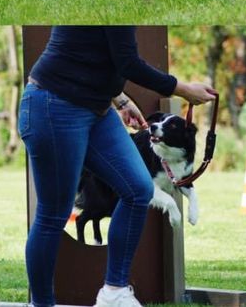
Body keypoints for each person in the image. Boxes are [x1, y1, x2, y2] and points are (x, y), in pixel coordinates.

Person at [20, 27, 216, 307]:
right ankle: (41, 304)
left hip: (97, 111)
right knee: (53, 215)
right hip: (55, 106)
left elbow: (100, 52)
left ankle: (114, 292)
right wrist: (184, 89)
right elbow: (127, 62)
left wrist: (120, 99)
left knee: (138, 188)